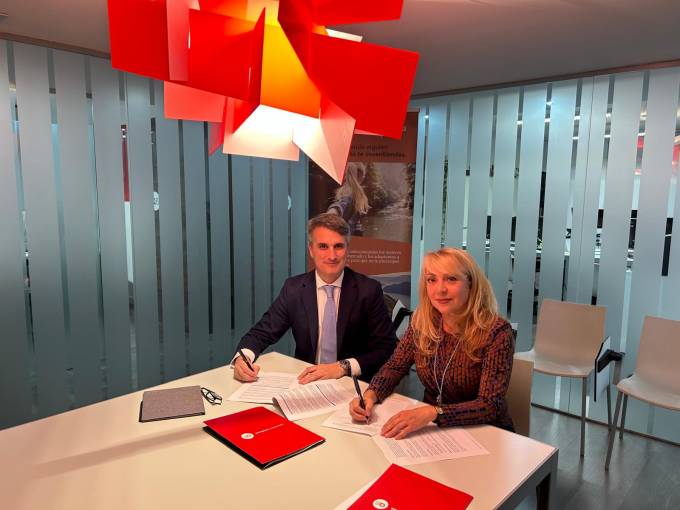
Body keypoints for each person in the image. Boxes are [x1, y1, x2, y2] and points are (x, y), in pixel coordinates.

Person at [349, 247, 515, 439]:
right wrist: (370, 395)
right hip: (434, 430)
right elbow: (394, 367)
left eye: (451, 279)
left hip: (485, 431)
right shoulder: (423, 323)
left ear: (471, 284)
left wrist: (434, 413)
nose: (440, 289)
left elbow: (490, 405)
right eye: (432, 280)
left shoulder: (497, 332)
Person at [233, 213, 397, 384]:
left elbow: (386, 348)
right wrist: (242, 359)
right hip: (307, 382)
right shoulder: (294, 289)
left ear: (347, 249)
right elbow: (261, 333)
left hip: (351, 385)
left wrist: (343, 367)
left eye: (338, 246)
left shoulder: (368, 290)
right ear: (311, 250)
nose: (332, 256)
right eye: (323, 246)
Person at [327, 163, 369, 235]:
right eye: (364, 176)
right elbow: (340, 205)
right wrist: (332, 212)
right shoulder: (351, 193)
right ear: (361, 176)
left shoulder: (346, 191)